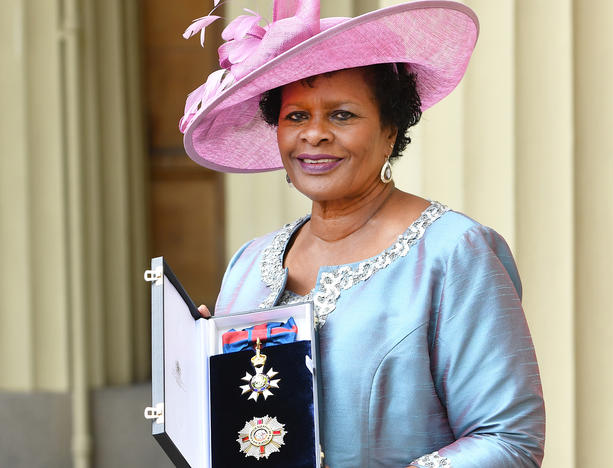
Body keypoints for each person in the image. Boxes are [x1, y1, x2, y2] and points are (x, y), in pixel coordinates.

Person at [182, 1, 545, 466]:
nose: (314, 135)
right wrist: (203, 371)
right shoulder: (249, 263)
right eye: (296, 116)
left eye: (342, 115)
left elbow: (509, 442)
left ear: (391, 130)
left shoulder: (455, 253)